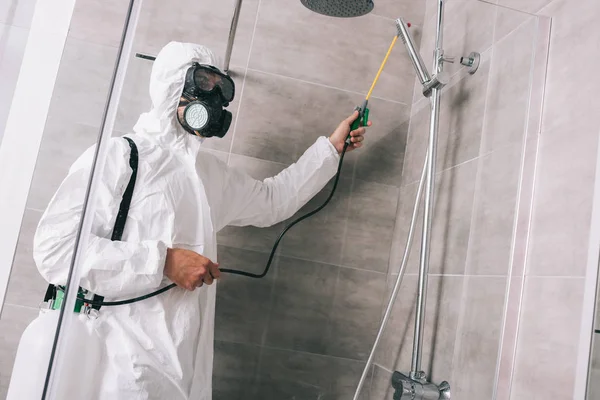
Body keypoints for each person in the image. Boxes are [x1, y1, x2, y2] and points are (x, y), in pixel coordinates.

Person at [33, 41, 370, 400]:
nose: (212, 100)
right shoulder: (121, 156)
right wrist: (163, 262)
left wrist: (329, 149)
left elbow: (273, 200)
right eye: (203, 83)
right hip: (111, 365)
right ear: (171, 85)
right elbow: (55, 249)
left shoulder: (207, 175)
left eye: (220, 90)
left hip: (177, 373)